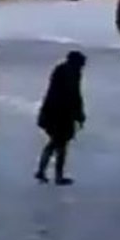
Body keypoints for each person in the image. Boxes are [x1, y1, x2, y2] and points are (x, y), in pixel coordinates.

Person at [35, 50, 86, 185]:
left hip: (53, 112)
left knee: (54, 144)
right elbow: (73, 95)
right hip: (61, 114)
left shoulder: (63, 71)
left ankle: (42, 171)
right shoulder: (71, 73)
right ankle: (57, 175)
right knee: (60, 146)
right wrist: (79, 114)